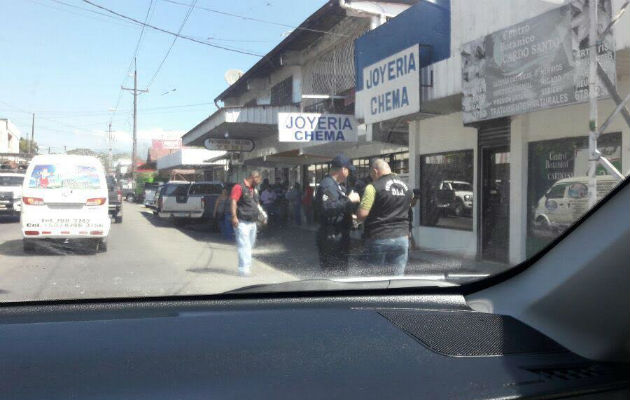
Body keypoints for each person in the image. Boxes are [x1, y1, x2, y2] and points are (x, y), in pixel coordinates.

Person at [357, 159, 412, 276]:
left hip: (379, 237)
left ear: (375, 171)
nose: (371, 177)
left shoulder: (372, 187)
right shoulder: (408, 188)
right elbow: (409, 206)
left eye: (371, 174)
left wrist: (356, 215)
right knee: (396, 277)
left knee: (374, 278)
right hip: (402, 238)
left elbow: (362, 214)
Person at [315, 154, 360, 272]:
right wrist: (349, 200)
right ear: (343, 170)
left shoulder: (336, 186)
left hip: (338, 234)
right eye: (348, 170)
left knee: (340, 270)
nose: (349, 174)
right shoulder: (328, 185)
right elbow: (328, 208)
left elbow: (337, 207)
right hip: (331, 236)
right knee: (334, 272)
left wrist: (350, 215)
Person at [230, 171, 263, 276]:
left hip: (253, 222)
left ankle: (246, 267)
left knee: (250, 246)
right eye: (258, 180)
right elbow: (233, 201)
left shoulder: (254, 190)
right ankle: (243, 270)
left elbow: (257, 204)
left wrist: (263, 215)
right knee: (244, 245)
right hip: (242, 222)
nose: (259, 182)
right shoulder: (239, 187)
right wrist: (234, 216)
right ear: (253, 177)